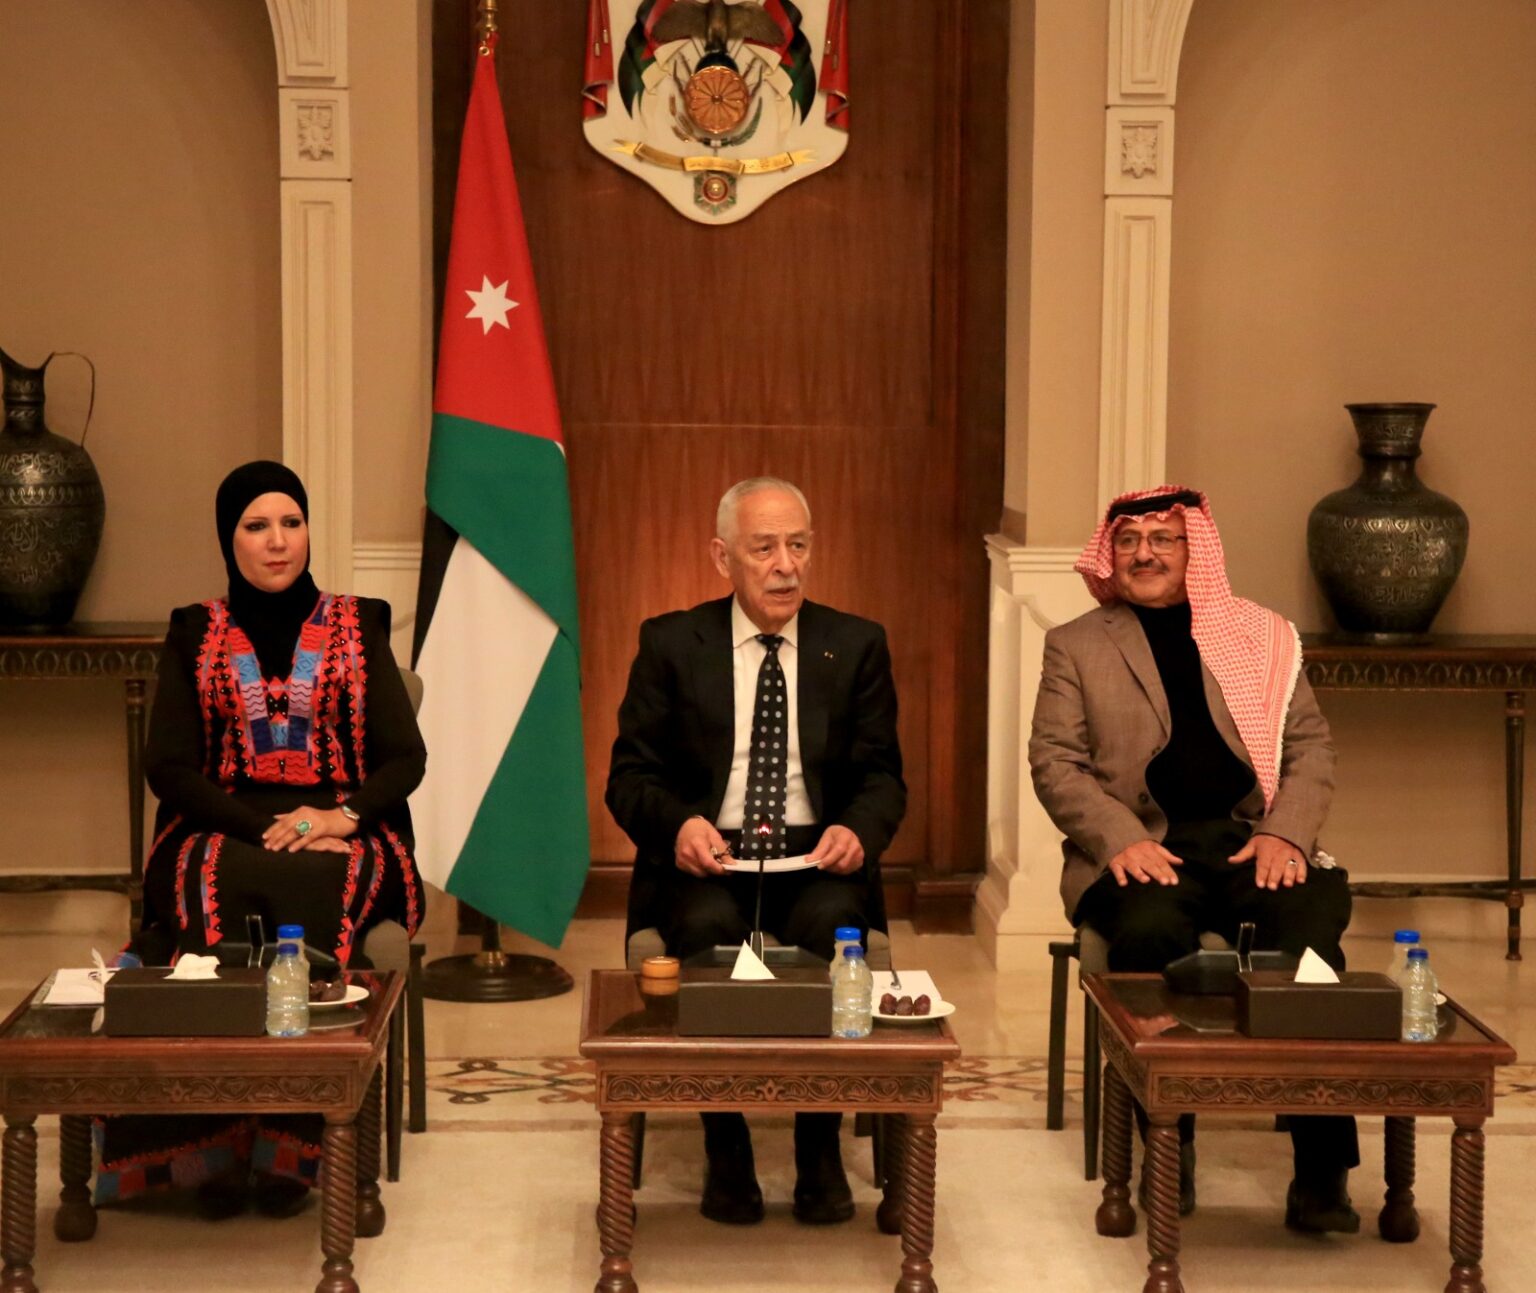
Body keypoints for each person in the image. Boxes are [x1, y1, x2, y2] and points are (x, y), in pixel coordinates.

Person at [97, 460, 426, 1219]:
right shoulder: (194, 631)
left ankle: (298, 1144)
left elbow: (405, 758)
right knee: (213, 880)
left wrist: (338, 817)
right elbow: (168, 767)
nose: (278, 541)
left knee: (321, 882)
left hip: (346, 830)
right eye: (257, 525)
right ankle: (211, 1143)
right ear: (229, 538)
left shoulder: (360, 623)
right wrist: (262, 827)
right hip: (221, 827)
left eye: (291, 522)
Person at [1029, 485, 1359, 1232]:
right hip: (1143, 848)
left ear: (1194, 550)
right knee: (1148, 933)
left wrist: (1285, 833)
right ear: (1110, 554)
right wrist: (1121, 838)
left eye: (1163, 539)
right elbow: (1055, 761)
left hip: (1250, 841)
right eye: (1129, 540)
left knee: (1310, 936)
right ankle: (1167, 1145)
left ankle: (1322, 1169)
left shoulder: (1260, 635)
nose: (1143, 553)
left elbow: (1311, 748)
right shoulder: (1077, 643)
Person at [606, 477, 905, 1226]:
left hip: (815, 857)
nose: (785, 566)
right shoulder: (672, 643)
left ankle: (818, 1142)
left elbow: (883, 777)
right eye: (764, 548)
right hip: (707, 855)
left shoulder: (855, 643)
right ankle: (727, 1142)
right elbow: (629, 777)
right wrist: (680, 825)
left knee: (836, 930)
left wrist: (857, 830)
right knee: (706, 932)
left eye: (798, 545)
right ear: (723, 557)